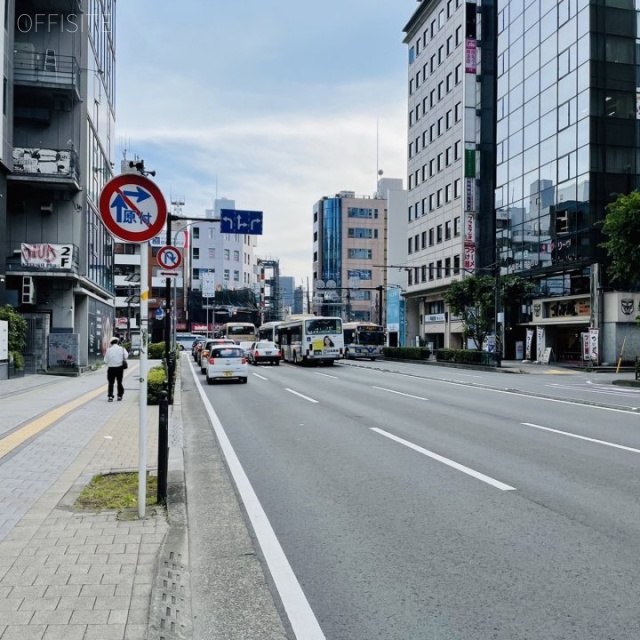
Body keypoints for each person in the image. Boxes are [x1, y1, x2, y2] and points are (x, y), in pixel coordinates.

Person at [104, 336, 128, 401]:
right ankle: (119, 396)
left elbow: (105, 360)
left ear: (111, 343)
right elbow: (126, 356)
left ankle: (110, 396)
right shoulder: (122, 348)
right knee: (119, 382)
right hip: (119, 368)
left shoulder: (109, 350)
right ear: (117, 342)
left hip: (111, 368)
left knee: (111, 383)